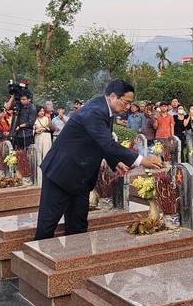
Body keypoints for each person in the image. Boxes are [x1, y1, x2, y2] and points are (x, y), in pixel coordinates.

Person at [34, 80, 163, 240]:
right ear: (113, 96)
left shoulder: (104, 110)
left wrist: (114, 162)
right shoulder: (94, 111)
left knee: (78, 226)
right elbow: (107, 143)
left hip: (81, 178)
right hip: (61, 174)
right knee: (47, 226)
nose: (128, 107)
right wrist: (141, 160)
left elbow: (99, 141)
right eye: (126, 102)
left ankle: (75, 262)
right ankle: (36, 262)